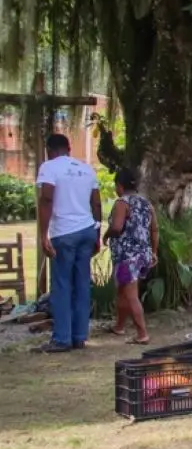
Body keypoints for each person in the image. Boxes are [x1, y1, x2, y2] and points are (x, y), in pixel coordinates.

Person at [36, 134, 102, 353]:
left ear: (50, 150)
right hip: (87, 230)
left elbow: (46, 199)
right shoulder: (87, 169)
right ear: (69, 148)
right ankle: (79, 336)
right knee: (82, 284)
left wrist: (43, 235)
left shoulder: (49, 167)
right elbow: (96, 203)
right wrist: (97, 233)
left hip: (64, 233)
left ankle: (62, 338)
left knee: (62, 285)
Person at [103, 168, 158, 345]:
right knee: (122, 290)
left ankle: (142, 334)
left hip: (127, 257)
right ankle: (119, 326)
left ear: (119, 186)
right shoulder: (147, 204)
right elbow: (154, 229)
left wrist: (106, 235)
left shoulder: (122, 203)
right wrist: (154, 252)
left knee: (131, 294)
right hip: (143, 255)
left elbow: (117, 227)